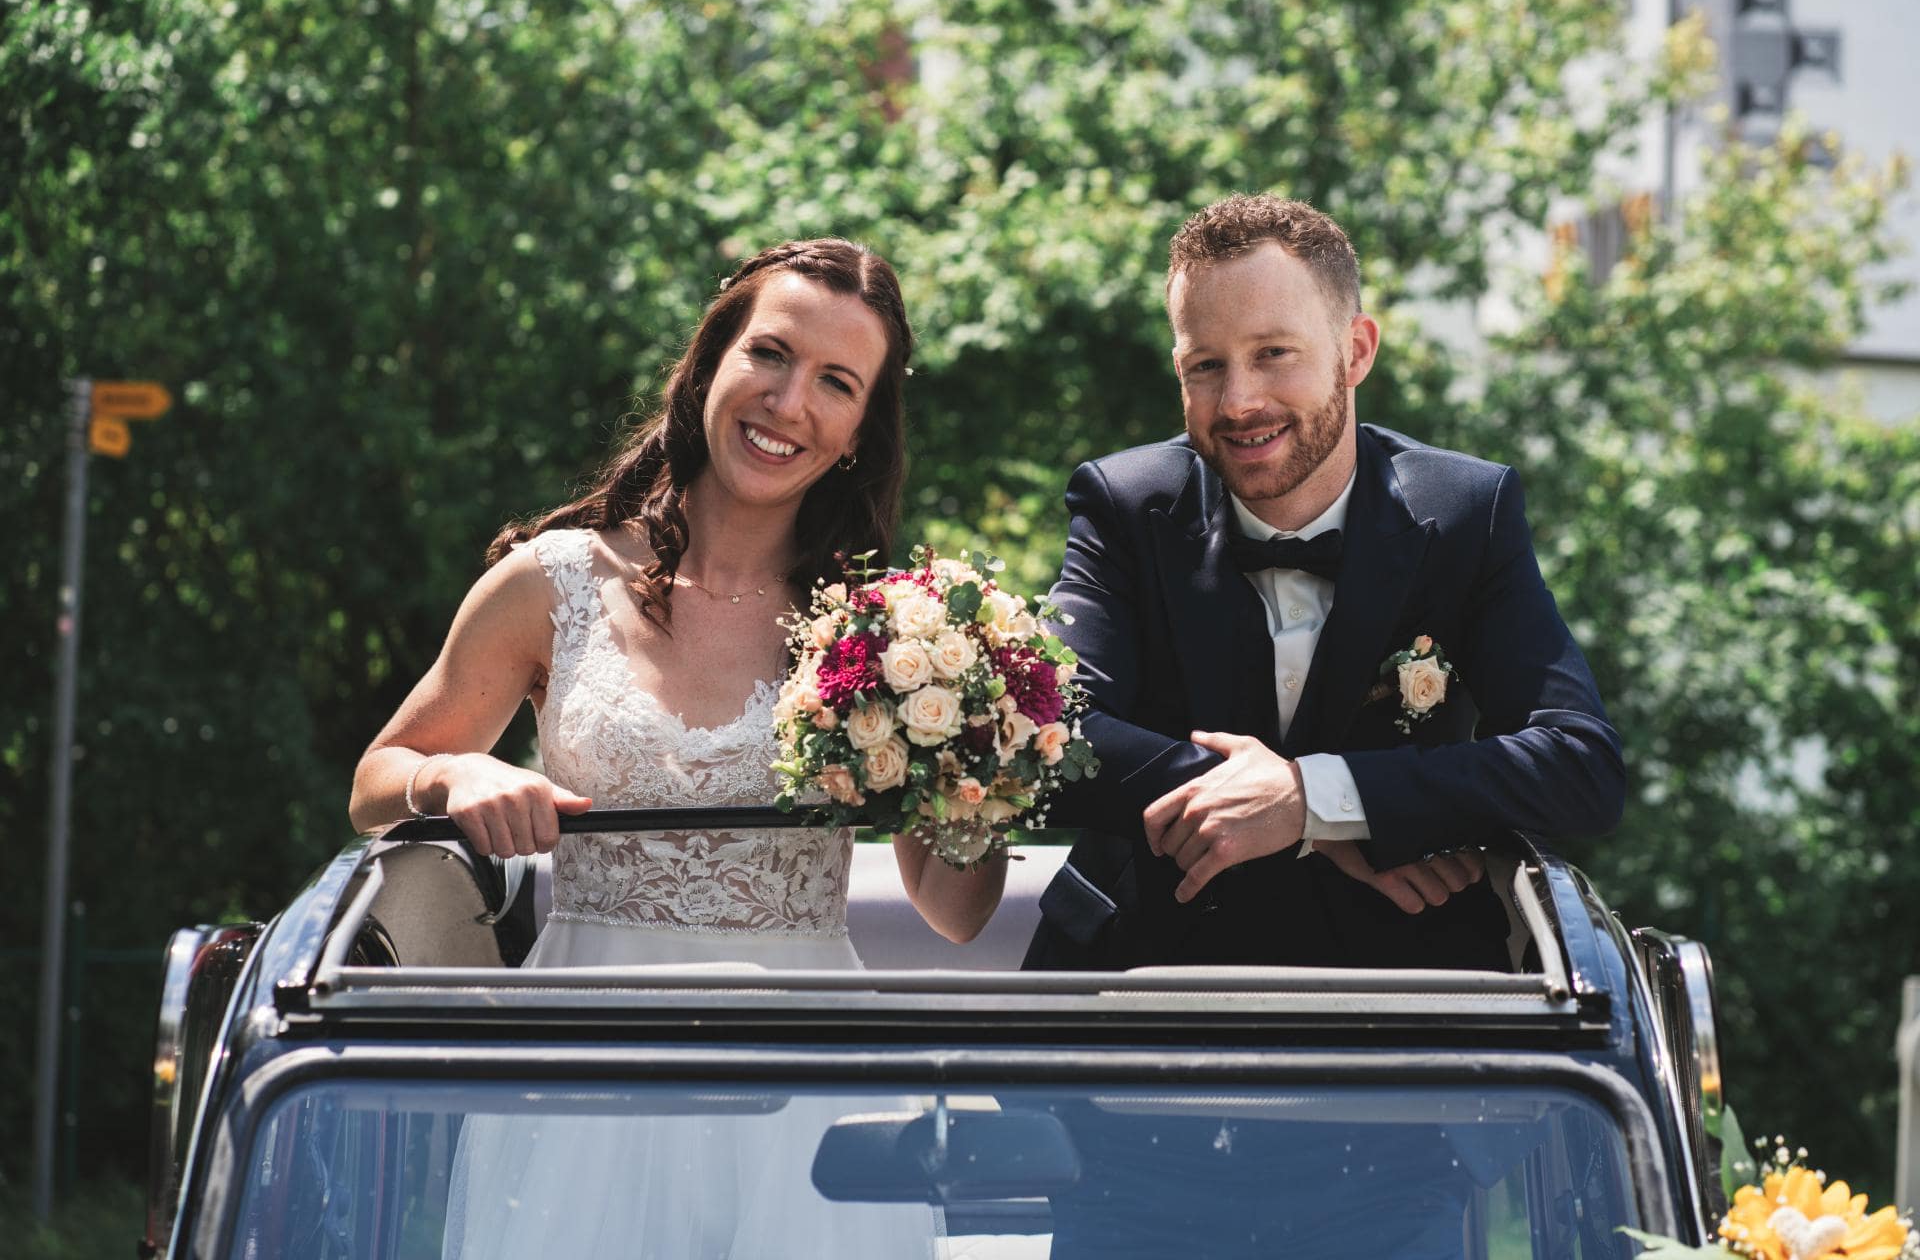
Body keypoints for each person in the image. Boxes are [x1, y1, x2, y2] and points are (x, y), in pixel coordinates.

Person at [349, 238, 997, 1258]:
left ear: (860, 433)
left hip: (806, 1084)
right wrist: (453, 771)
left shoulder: (888, 630)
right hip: (585, 1066)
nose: (789, 401)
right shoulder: (552, 581)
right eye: (770, 354)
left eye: (836, 382)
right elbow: (374, 784)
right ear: (709, 364)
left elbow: (957, 912)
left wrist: (979, 750)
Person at [1022, 195, 1626, 1258]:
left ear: (1356, 350)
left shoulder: (1468, 511)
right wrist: (1302, 821)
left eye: (1274, 354)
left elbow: (1580, 763)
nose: (1239, 400)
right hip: (1132, 1090)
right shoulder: (1123, 501)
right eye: (1204, 365)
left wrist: (1318, 800)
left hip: (1395, 1106)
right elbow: (1051, 733)